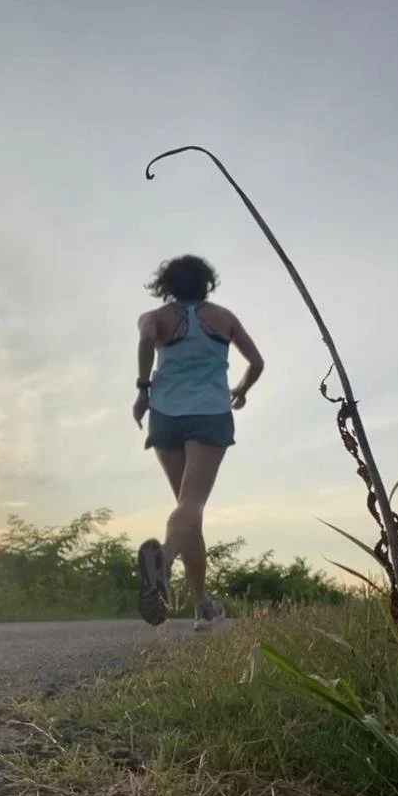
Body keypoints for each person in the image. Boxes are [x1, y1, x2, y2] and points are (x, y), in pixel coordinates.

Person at [132, 254, 264, 629]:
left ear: (166, 285)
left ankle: (201, 606)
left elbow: (145, 340)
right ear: (207, 282)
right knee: (192, 504)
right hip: (209, 413)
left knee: (188, 512)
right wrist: (241, 389)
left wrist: (143, 390)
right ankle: (165, 560)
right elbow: (257, 362)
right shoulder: (224, 318)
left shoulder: (153, 319)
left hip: (165, 414)